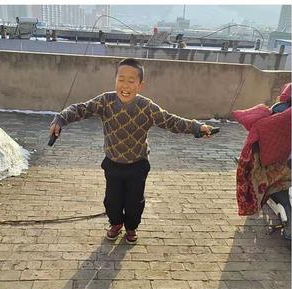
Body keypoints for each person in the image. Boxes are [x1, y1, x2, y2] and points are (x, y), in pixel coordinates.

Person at [49, 58, 214, 244]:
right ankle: (116, 224)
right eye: (121, 79)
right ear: (115, 81)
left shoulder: (147, 107)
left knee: (134, 203)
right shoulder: (105, 101)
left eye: (131, 81)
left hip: (138, 165)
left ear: (140, 85)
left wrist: (197, 128)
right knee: (112, 201)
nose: (125, 85)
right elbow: (81, 109)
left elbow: (171, 121)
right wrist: (60, 119)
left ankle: (131, 228)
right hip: (112, 163)